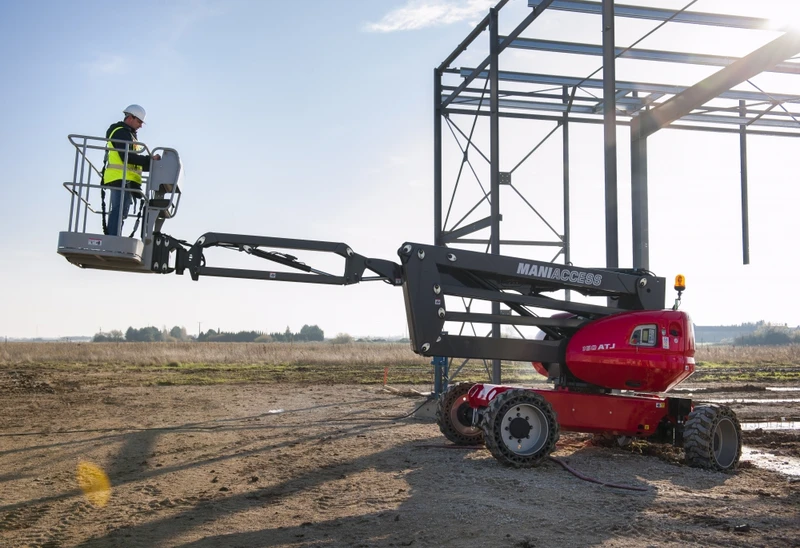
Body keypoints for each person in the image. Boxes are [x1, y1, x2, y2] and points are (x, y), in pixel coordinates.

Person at [103, 104, 161, 236]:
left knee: (121, 212)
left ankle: (114, 237)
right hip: (119, 177)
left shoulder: (129, 134)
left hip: (125, 179)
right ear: (130, 118)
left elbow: (133, 161)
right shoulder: (120, 132)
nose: (141, 125)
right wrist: (150, 159)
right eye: (139, 121)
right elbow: (128, 157)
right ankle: (112, 239)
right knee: (118, 211)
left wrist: (151, 163)